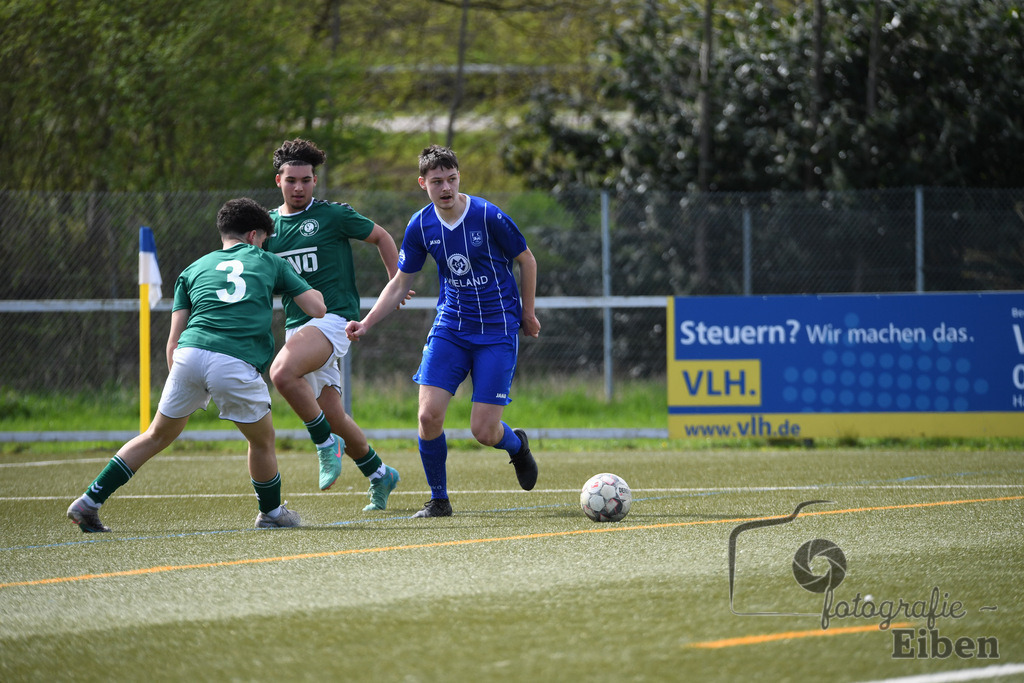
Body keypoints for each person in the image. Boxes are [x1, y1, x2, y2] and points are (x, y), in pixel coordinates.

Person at [67, 198, 326, 533]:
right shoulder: (268, 260)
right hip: (234, 360)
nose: (263, 245)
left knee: (156, 434)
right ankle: (272, 512)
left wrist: (189, 381)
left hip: (188, 355)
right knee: (261, 441)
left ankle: (89, 501)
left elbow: (172, 342)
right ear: (253, 235)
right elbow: (317, 308)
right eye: (264, 239)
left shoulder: (193, 269)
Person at [346, 144, 540, 518]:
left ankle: (517, 447)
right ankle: (439, 500)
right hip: (451, 327)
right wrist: (366, 322)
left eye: (451, 179)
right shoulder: (421, 225)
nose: (446, 187)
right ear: (423, 183)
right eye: (437, 181)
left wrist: (527, 313)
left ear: (459, 178)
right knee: (428, 416)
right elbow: (401, 283)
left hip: (497, 330)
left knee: (484, 431)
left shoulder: (487, 215)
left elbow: (526, 259)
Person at [265, 138, 402, 511]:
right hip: (298, 327)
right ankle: (379, 474)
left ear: (314, 181)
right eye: (291, 180)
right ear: (278, 180)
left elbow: (382, 236)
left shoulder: (332, 215)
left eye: (306, 180)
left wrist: (396, 280)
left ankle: (324, 444)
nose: (299, 187)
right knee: (335, 416)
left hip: (332, 320)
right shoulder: (267, 228)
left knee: (281, 373)